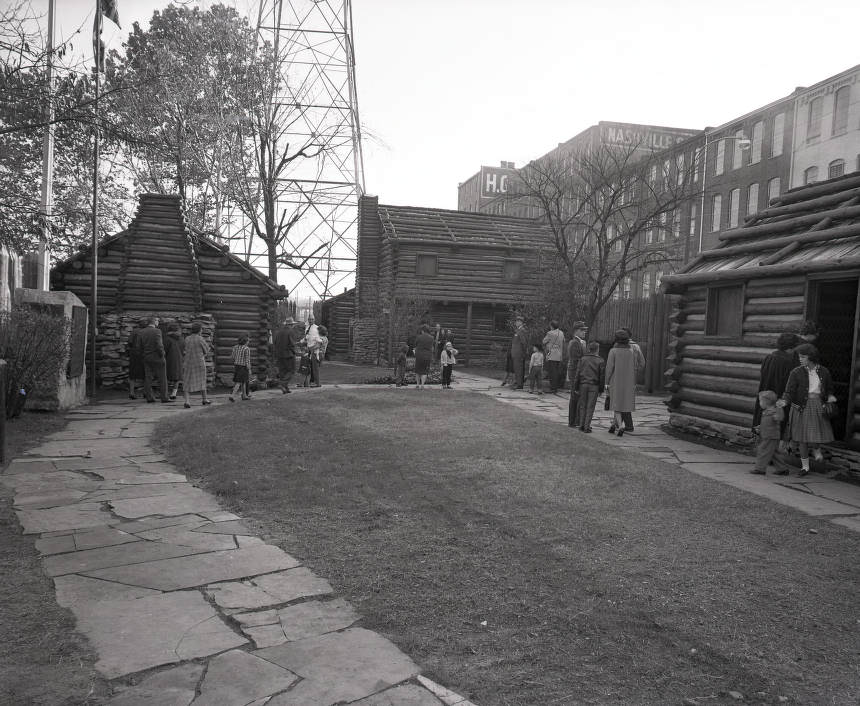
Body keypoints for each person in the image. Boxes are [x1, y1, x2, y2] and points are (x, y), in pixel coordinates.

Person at [778, 343, 836, 476]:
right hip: (800, 407)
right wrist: (784, 401)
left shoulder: (824, 371)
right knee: (802, 438)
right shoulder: (796, 372)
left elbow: (830, 389)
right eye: (799, 356)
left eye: (803, 357)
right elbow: (789, 391)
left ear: (811, 357)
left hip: (817, 405)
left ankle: (816, 448)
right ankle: (805, 467)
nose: (800, 359)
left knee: (815, 433)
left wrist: (831, 397)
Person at [752, 332, 798, 433]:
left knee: (762, 422)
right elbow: (787, 384)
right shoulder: (787, 362)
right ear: (790, 347)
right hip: (777, 397)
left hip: (764, 395)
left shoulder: (769, 357)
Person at [605, 329, 637, 437]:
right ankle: (613, 426)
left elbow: (609, 368)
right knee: (622, 404)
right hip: (628, 382)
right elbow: (635, 366)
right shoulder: (631, 351)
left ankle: (620, 427)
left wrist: (606, 382)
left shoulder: (613, 351)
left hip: (616, 381)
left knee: (616, 405)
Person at [574, 341, 605, 433]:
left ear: (589, 349)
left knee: (582, 406)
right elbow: (602, 376)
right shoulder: (600, 360)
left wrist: (576, 387)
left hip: (583, 385)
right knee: (590, 407)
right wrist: (601, 389)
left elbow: (577, 374)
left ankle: (581, 425)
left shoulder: (583, 359)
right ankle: (587, 426)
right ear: (597, 350)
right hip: (594, 386)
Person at [750, 390, 784, 475]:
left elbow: (779, 418)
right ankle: (782, 469)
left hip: (771, 436)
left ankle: (760, 469)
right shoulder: (766, 412)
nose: (760, 403)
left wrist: (779, 409)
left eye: (760, 401)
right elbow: (767, 423)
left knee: (763, 450)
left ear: (766, 402)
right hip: (768, 436)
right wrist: (760, 428)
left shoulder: (774, 411)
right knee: (774, 454)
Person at [139, 317, 170, 404]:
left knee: (148, 378)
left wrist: (144, 355)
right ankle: (164, 397)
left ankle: (149, 397)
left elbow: (139, 346)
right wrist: (162, 354)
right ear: (154, 322)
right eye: (157, 320)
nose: (158, 322)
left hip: (147, 357)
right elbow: (159, 345)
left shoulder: (142, 332)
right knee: (162, 378)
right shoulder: (157, 331)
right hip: (158, 357)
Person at [619, 327, 645, 432]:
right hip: (632, 377)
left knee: (620, 399)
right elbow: (642, 363)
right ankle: (620, 423)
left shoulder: (619, 347)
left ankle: (626, 425)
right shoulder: (636, 347)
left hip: (620, 376)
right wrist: (635, 371)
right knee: (625, 399)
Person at [182, 322, 211, 408]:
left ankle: (187, 401)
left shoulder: (187, 339)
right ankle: (204, 399)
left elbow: (184, 350)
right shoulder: (200, 339)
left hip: (188, 362)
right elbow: (206, 350)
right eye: (201, 329)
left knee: (187, 381)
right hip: (199, 362)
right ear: (199, 330)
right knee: (202, 380)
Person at [566, 321, 587, 427]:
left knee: (577, 397)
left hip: (577, 372)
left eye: (584, 330)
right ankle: (572, 421)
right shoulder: (575, 342)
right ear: (576, 331)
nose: (584, 332)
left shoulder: (579, 342)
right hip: (575, 373)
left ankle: (576, 420)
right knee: (574, 397)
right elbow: (577, 360)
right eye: (582, 330)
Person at [273, 316, 297, 394]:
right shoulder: (291, 332)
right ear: (290, 325)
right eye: (292, 324)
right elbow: (292, 344)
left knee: (283, 371)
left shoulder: (279, 332)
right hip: (288, 355)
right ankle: (282, 384)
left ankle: (285, 388)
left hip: (279, 355)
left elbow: (275, 343)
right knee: (291, 371)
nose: (293, 326)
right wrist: (294, 352)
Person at [542, 320, 565, 393]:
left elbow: (544, 341)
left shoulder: (550, 333)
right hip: (559, 354)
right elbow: (563, 341)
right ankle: (555, 387)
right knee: (556, 371)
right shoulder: (561, 333)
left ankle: (553, 388)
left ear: (551, 326)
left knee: (552, 372)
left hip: (552, 354)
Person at [163, 323, 184, 400]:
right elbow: (183, 348)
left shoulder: (167, 339)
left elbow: (164, 350)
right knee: (177, 378)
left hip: (168, 359)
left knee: (166, 376)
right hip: (179, 359)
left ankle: (166, 393)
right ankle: (174, 393)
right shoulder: (181, 339)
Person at [127, 318, 146, 400]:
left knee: (133, 373)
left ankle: (132, 392)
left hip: (134, 354)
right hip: (143, 354)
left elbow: (130, 342)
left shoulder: (134, 331)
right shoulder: (146, 332)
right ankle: (146, 392)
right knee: (145, 373)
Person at [229, 334, 252, 402]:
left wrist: (237, 360)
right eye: (248, 340)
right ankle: (232, 396)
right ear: (245, 341)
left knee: (243, 382)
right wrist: (249, 369)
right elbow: (247, 360)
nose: (249, 342)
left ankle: (244, 395)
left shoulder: (235, 347)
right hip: (243, 367)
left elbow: (232, 357)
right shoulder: (246, 348)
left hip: (236, 366)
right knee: (239, 382)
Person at [414, 324, 435, 389]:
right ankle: (422, 385)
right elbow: (432, 347)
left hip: (419, 355)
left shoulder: (419, 337)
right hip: (427, 356)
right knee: (425, 371)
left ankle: (417, 384)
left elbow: (415, 344)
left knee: (418, 371)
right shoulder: (431, 338)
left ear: (423, 330)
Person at [510, 316, 529, 390]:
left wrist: (523, 353)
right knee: (517, 369)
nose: (516, 322)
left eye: (517, 321)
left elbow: (524, 343)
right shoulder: (518, 330)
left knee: (519, 369)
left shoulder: (522, 330)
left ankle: (519, 385)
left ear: (521, 322)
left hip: (519, 353)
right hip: (516, 353)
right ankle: (518, 383)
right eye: (516, 321)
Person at [304, 315, 322, 387]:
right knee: (308, 366)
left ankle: (318, 383)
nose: (310, 320)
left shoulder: (317, 328)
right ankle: (309, 382)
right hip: (309, 349)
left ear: (314, 320)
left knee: (315, 367)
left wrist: (313, 349)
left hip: (314, 351)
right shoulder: (307, 327)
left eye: (312, 319)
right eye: (309, 319)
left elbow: (320, 341)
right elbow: (307, 338)